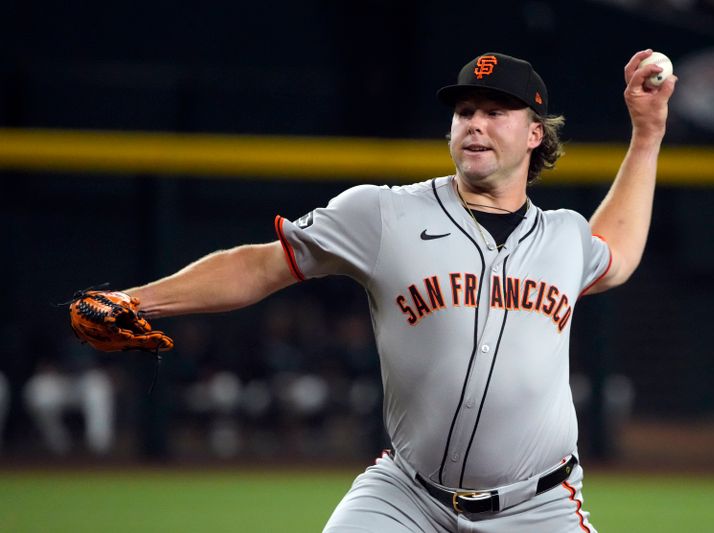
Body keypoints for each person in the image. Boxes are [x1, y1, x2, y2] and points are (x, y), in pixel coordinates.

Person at [116, 50, 675, 532]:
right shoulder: (382, 213)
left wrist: (647, 133)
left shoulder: (564, 237)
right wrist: (136, 301)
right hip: (407, 497)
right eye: (464, 112)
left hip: (538, 505)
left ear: (534, 134)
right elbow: (260, 267)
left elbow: (618, 253)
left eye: (495, 111)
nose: (475, 123)